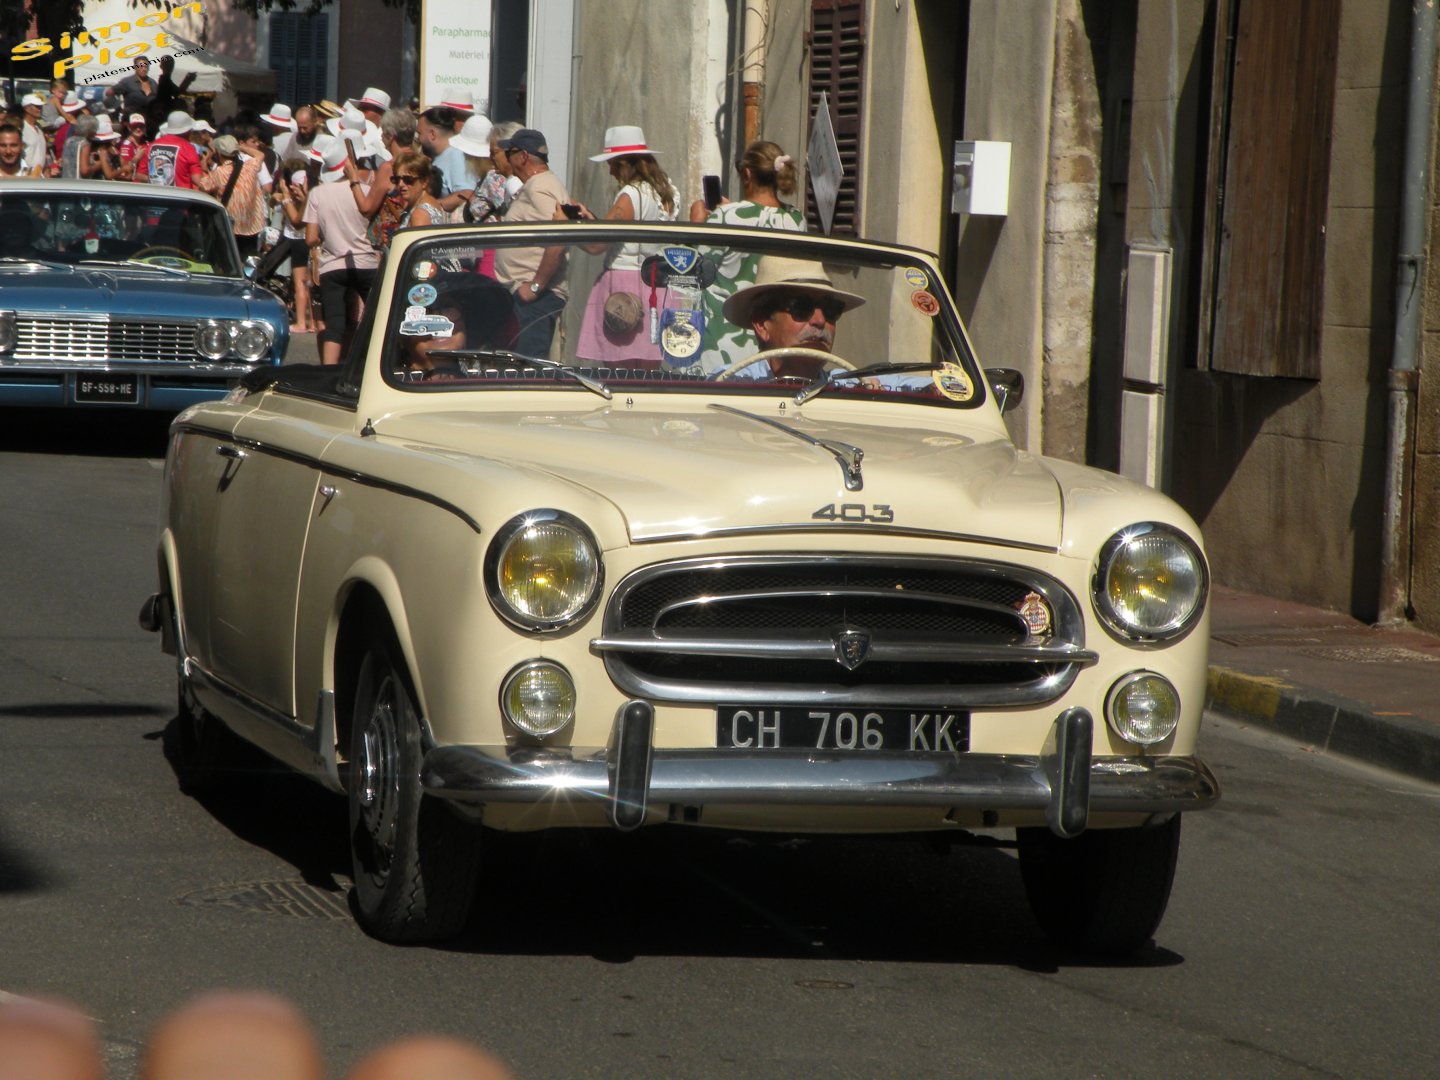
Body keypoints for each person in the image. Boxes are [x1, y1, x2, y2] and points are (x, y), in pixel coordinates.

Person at [689, 140, 806, 372]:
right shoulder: (795, 220)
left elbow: (696, 273)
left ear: (747, 174)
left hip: (722, 341)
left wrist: (697, 227)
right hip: (772, 338)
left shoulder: (725, 218)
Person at [568, 124, 678, 365]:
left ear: (625, 163)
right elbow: (629, 234)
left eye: (612, 164)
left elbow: (598, 245)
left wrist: (568, 229)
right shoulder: (666, 193)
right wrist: (593, 220)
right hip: (655, 283)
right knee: (649, 369)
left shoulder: (630, 195)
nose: (610, 172)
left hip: (623, 286)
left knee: (619, 368)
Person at [718, 256, 865, 381]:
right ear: (762, 325)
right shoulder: (728, 385)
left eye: (831, 309)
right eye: (801, 307)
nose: (820, 321)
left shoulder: (852, 387)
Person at [492, 127, 571, 357]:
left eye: (509, 154)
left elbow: (558, 238)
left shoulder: (540, 188)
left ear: (523, 156)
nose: (507, 160)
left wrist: (535, 286)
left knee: (529, 371)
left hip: (535, 300)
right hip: (528, 297)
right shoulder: (540, 185)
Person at [303, 139, 380, 365]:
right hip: (366, 263)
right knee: (377, 319)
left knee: (334, 324)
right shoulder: (366, 192)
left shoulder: (318, 193)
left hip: (332, 265)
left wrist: (329, 234)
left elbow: (310, 239)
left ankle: (328, 372)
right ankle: (373, 365)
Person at [198, 134, 266, 257]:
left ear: (218, 153)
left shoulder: (219, 172)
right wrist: (241, 148)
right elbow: (260, 155)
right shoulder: (250, 166)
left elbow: (203, 186)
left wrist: (204, 166)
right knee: (248, 261)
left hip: (230, 226)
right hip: (251, 225)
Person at [274, 159, 318, 332]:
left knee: (301, 282)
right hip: (310, 241)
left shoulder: (296, 201)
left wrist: (285, 197)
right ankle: (313, 322)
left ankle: (301, 322)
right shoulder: (315, 196)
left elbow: (296, 220)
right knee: (312, 283)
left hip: (300, 239)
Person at [135, 111, 203, 188]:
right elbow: (197, 179)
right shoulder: (188, 148)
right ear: (187, 131)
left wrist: (159, 181)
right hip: (180, 198)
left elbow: (140, 175)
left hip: (156, 197)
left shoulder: (152, 146)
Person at [417, 105, 467, 196]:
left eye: (419, 133)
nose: (418, 139)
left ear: (432, 134)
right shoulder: (442, 156)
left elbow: (464, 194)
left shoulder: (456, 155)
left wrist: (428, 206)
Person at [392, 149, 444, 228]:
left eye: (408, 179)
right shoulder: (431, 202)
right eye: (397, 179)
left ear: (424, 182)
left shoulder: (420, 214)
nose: (400, 184)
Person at [147, 53, 197, 129]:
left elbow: (177, 92)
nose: (170, 67)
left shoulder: (165, 79)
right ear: (161, 66)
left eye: (170, 65)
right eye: (168, 65)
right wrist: (187, 80)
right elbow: (178, 92)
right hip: (163, 112)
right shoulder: (165, 80)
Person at [19, 93, 47, 175]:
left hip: (40, 176)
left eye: (40, 107)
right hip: (25, 176)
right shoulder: (21, 128)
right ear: (26, 108)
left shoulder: (39, 128)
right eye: (37, 107)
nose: (40, 109)